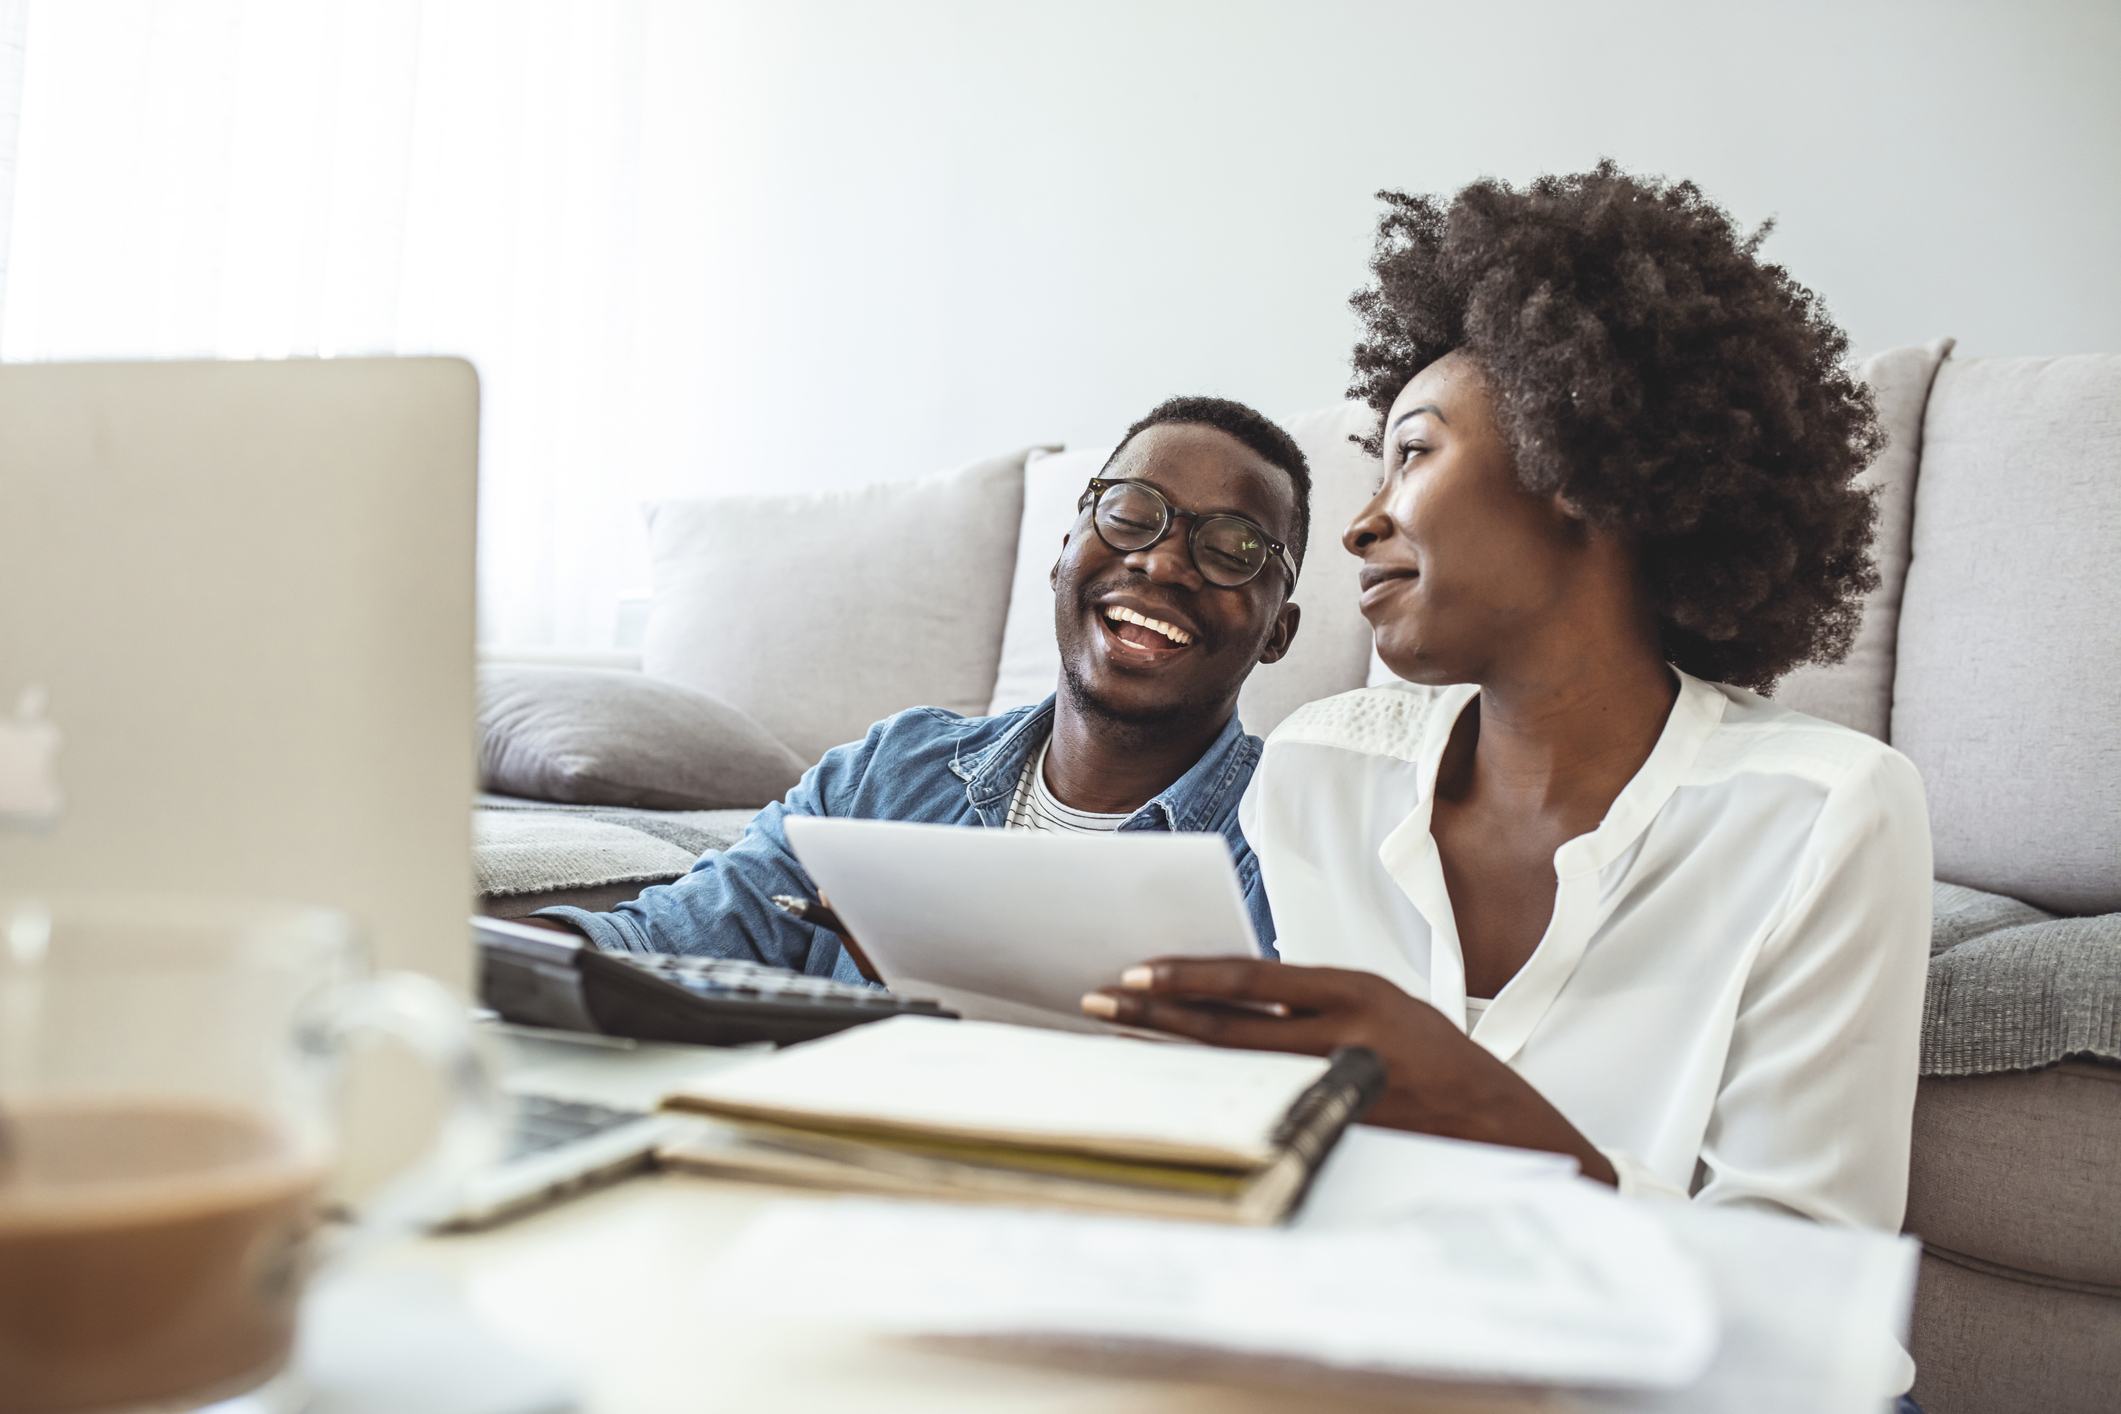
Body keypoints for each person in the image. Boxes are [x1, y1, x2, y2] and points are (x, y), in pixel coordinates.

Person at [1084, 166, 1932, 1233]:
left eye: (1411, 454)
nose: (1360, 525)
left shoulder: (1825, 812)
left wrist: (1490, 1114)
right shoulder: (1319, 772)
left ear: (1571, 461)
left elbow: (1806, 1286)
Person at [527, 395, 1310, 983]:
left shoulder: (1295, 836)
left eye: (1232, 550)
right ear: (1063, 552)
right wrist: (480, 962)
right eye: (1132, 514)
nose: (1163, 562)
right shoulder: (888, 773)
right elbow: (657, 941)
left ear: (1277, 631)